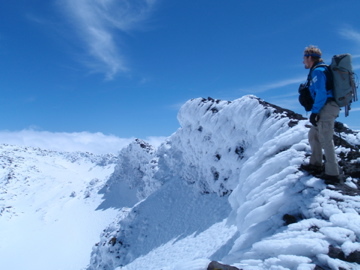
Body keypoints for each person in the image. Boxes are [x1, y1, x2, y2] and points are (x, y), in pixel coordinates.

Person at [300, 45, 340, 183]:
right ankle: (315, 164)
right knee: (313, 134)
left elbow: (322, 93)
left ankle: (332, 174)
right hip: (325, 106)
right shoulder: (317, 70)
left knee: (326, 139)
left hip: (326, 107)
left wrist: (315, 112)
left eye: (304, 58)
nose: (303, 61)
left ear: (310, 57)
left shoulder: (318, 71)